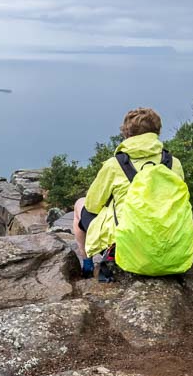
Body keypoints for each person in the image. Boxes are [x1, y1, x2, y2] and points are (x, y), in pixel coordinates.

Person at [72, 107, 185, 277]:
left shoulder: (115, 164)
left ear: (127, 134)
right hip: (168, 244)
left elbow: (92, 205)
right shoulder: (173, 163)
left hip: (128, 247)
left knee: (80, 204)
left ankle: (87, 264)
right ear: (157, 132)